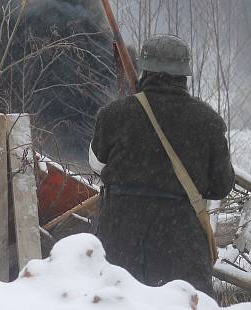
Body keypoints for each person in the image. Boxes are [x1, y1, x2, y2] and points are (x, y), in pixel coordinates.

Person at [89, 34, 235, 296]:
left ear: (146, 68)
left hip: (120, 240)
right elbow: (221, 186)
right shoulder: (208, 122)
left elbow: (97, 165)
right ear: (184, 74)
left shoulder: (113, 114)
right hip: (180, 246)